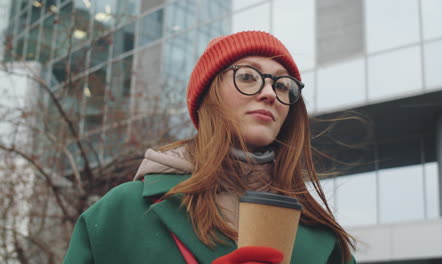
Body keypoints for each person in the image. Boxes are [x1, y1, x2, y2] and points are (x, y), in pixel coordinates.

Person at [64, 31, 356, 264]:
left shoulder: (324, 238)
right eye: (247, 77)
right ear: (208, 96)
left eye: (282, 85)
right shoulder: (121, 212)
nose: (269, 93)